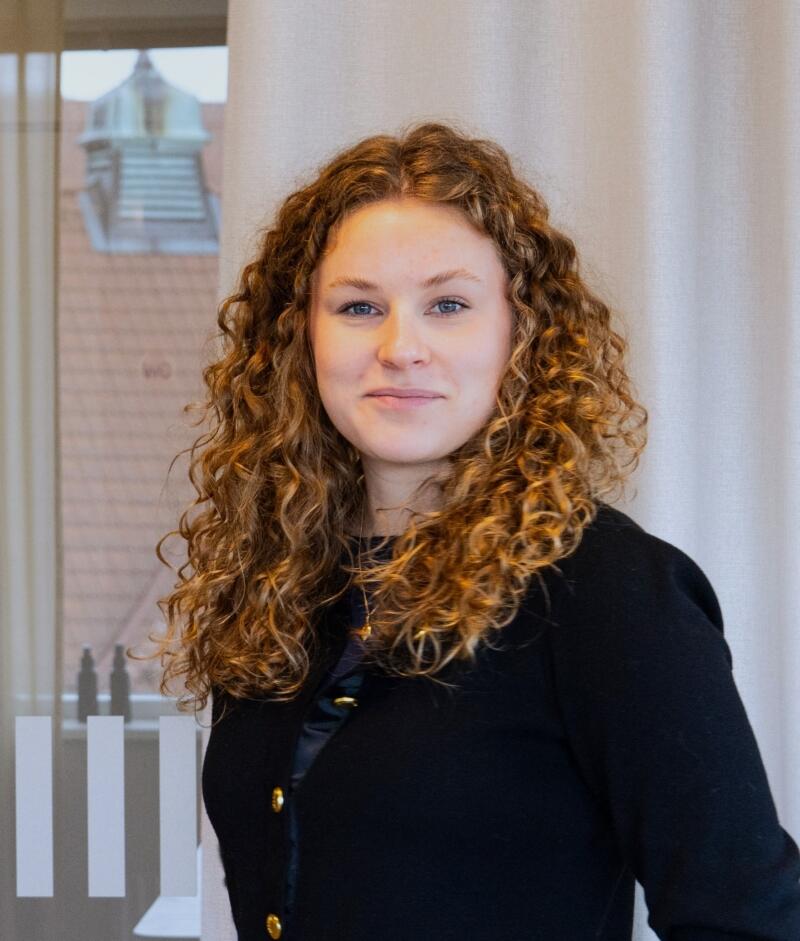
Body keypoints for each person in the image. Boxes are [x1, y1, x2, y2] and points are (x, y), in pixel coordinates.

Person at [141, 121, 800, 940]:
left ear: (521, 333)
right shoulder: (279, 585)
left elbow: (749, 917)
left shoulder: (608, 589)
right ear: (299, 335)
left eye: (448, 304)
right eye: (358, 306)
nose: (400, 347)